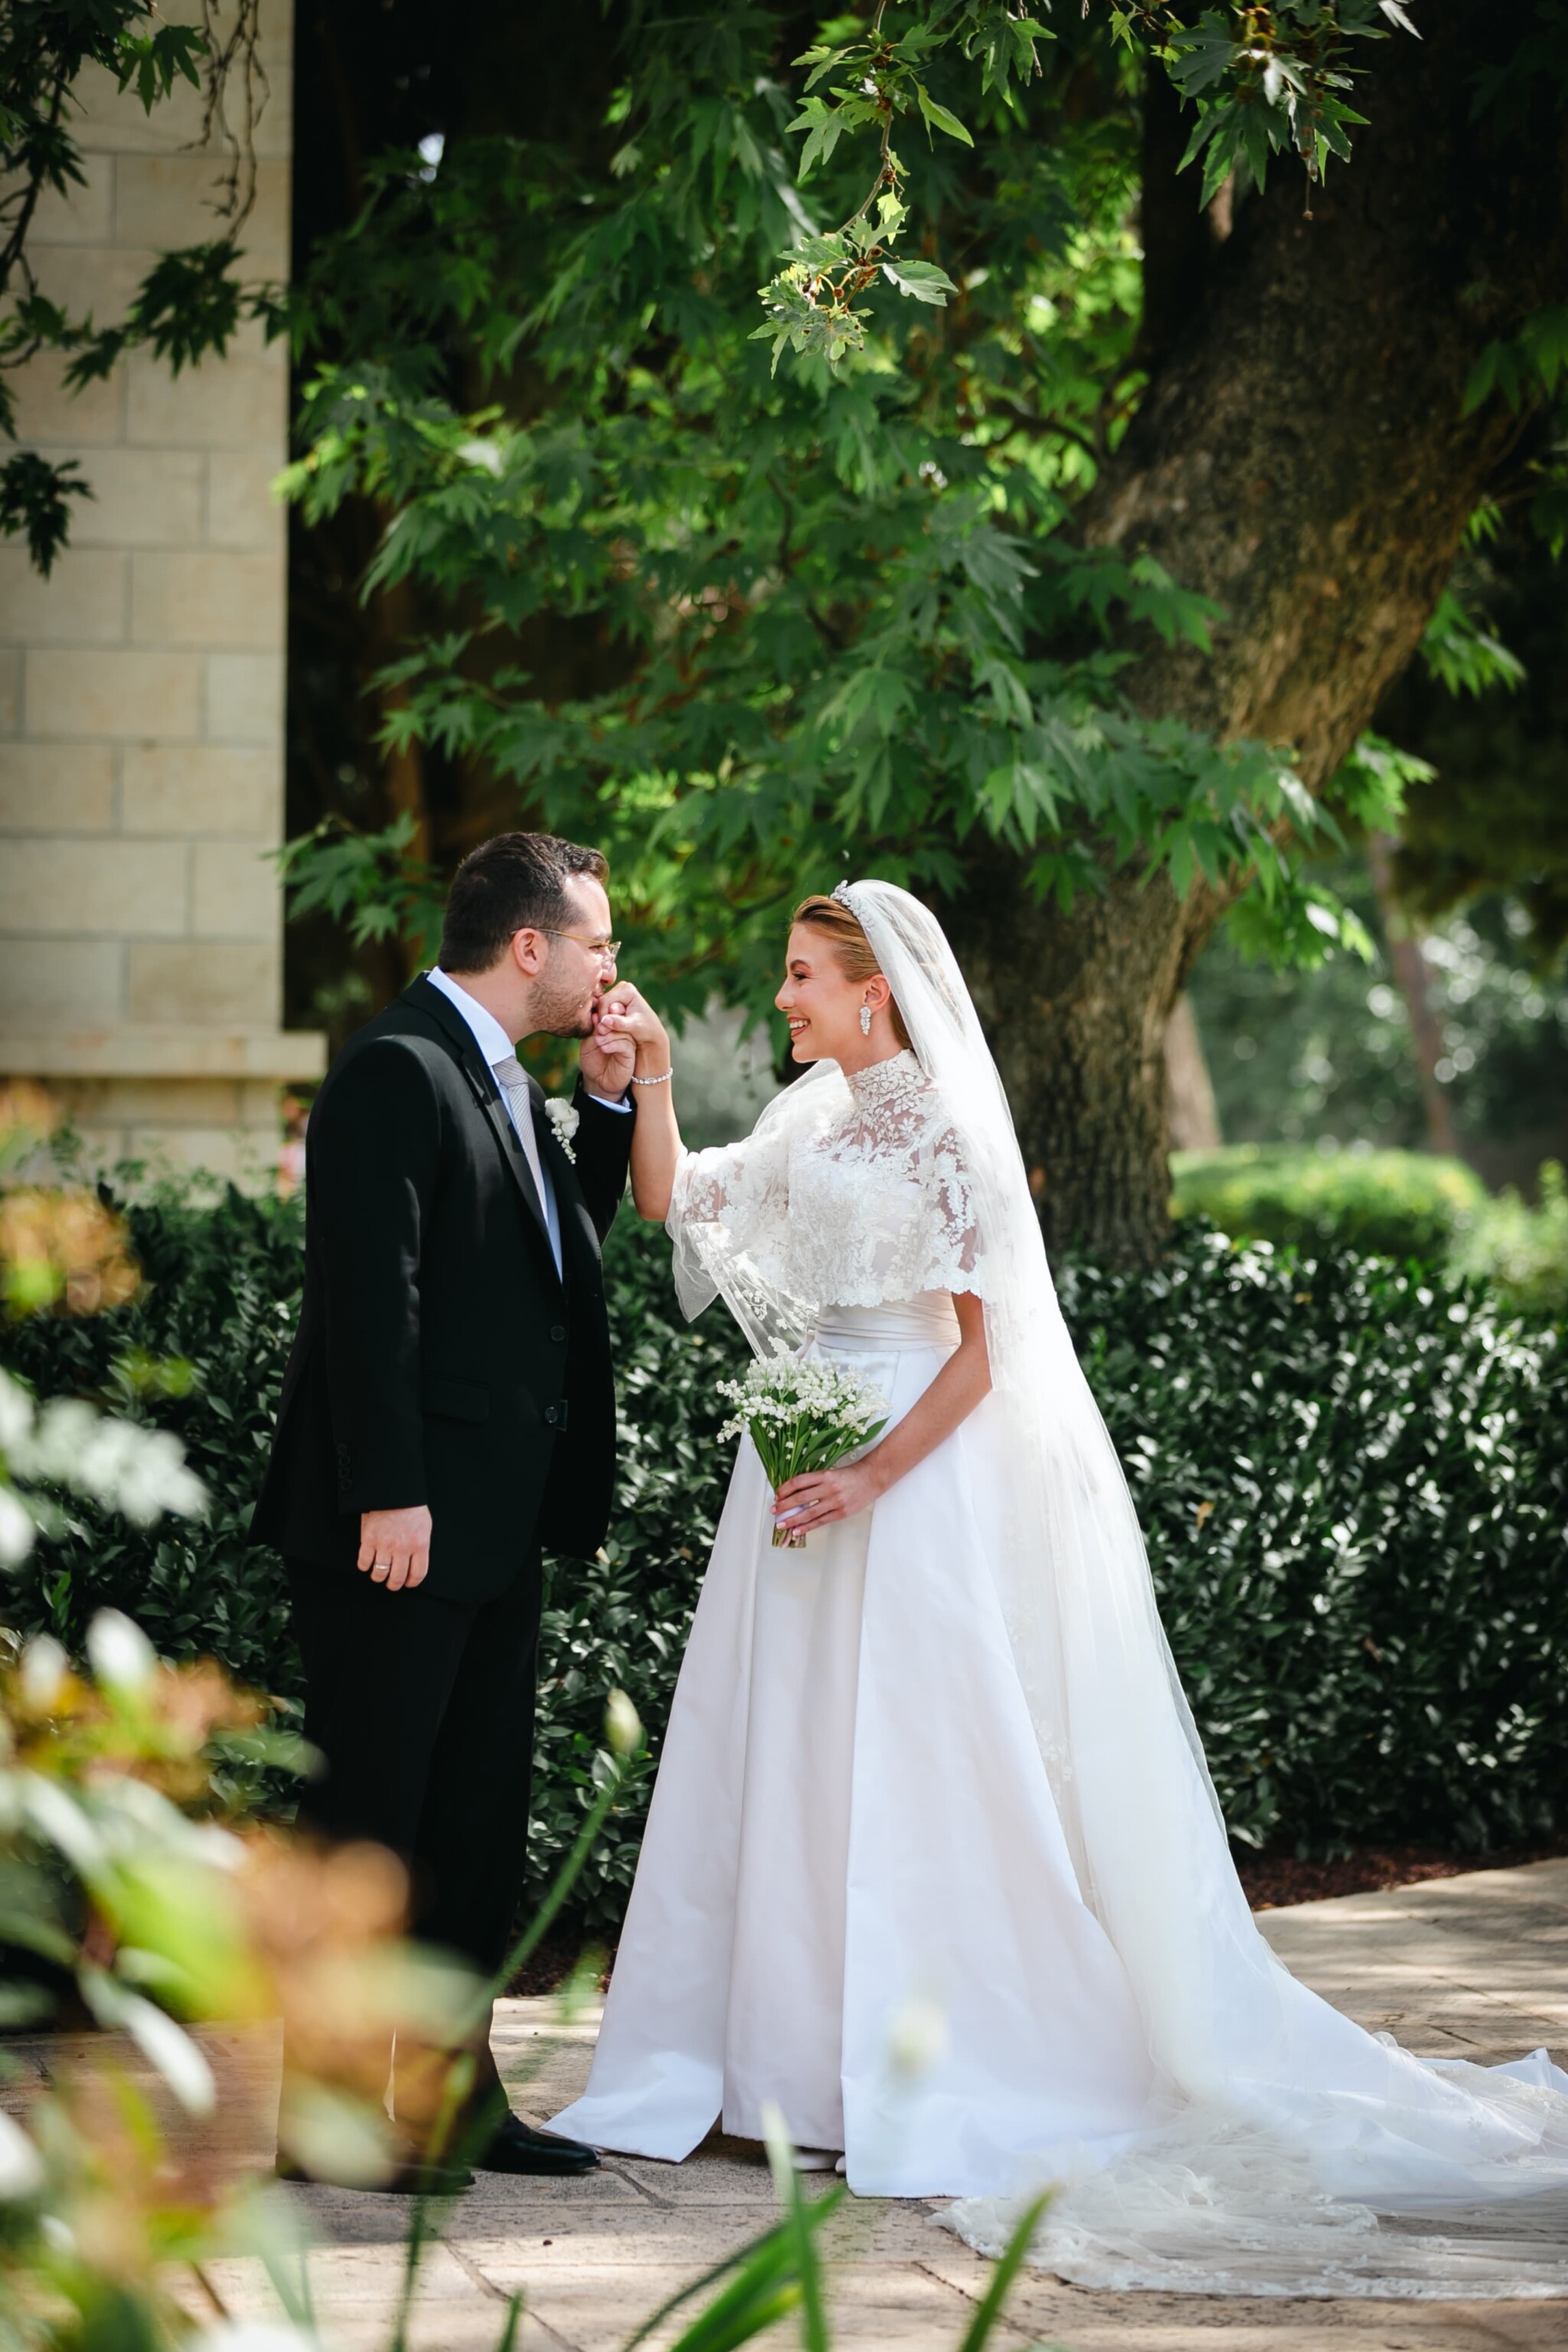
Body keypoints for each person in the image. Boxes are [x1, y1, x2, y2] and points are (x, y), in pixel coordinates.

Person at [554, 877, 1568, 2298]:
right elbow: (674, 1197)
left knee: (920, 1768)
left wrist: (868, 1477)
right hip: (792, 1462)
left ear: (874, 992)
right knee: (788, 1758)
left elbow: (982, 1359)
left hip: (907, 1476)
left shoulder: (950, 1137)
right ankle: (789, 2078)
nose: (781, 997)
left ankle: (937, 2060)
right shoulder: (807, 1120)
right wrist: (650, 1078)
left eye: (799, 976)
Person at [252, 830, 657, 2190]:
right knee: (374, 1820)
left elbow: (546, 1275)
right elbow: (376, 1302)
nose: (613, 966)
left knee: (471, 1820)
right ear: (530, 946)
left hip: (491, 1524)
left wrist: (605, 1108)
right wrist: (395, 1492)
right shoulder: (395, 1071)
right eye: (599, 941)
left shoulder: (501, 1079)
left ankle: (449, 2099)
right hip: (400, 1523)